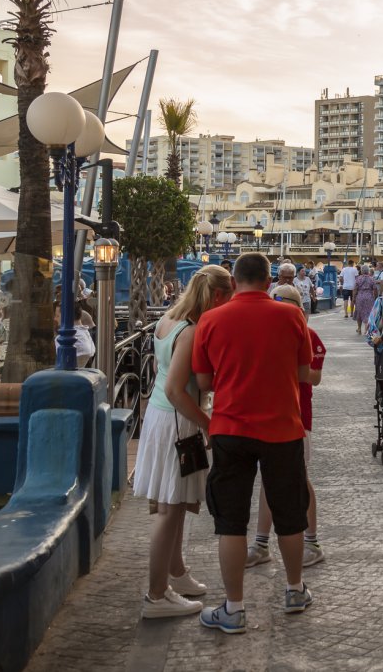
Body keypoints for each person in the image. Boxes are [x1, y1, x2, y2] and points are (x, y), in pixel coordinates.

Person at [192, 253, 315, 634]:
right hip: (282, 428)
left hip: (230, 428)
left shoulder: (211, 319)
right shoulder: (291, 316)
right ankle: (294, 590)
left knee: (231, 521)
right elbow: (302, 372)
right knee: (290, 512)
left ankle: (234, 608)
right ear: (268, 280)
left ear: (234, 281)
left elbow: (203, 382)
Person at [132, 264, 231, 620]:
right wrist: (207, 423)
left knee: (169, 504)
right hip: (178, 422)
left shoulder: (167, 322)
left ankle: (176, 573)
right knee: (169, 510)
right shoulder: (190, 331)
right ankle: (156, 596)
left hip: (161, 420)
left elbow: (165, 382)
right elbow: (177, 390)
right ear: (217, 296)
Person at [244, 285, 326, 570]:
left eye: (283, 304)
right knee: (268, 480)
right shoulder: (268, 332)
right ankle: (261, 543)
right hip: (270, 415)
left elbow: (314, 377)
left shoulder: (309, 335)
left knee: (299, 480)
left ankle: (311, 542)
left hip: (297, 417)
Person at [351, 265, 379, 335]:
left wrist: (353, 298)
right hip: (369, 297)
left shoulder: (358, 278)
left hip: (360, 297)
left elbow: (355, 289)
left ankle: (359, 328)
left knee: (359, 313)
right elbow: (375, 289)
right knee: (368, 313)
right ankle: (366, 330)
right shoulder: (372, 279)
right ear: (368, 271)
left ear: (361, 271)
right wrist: (376, 297)